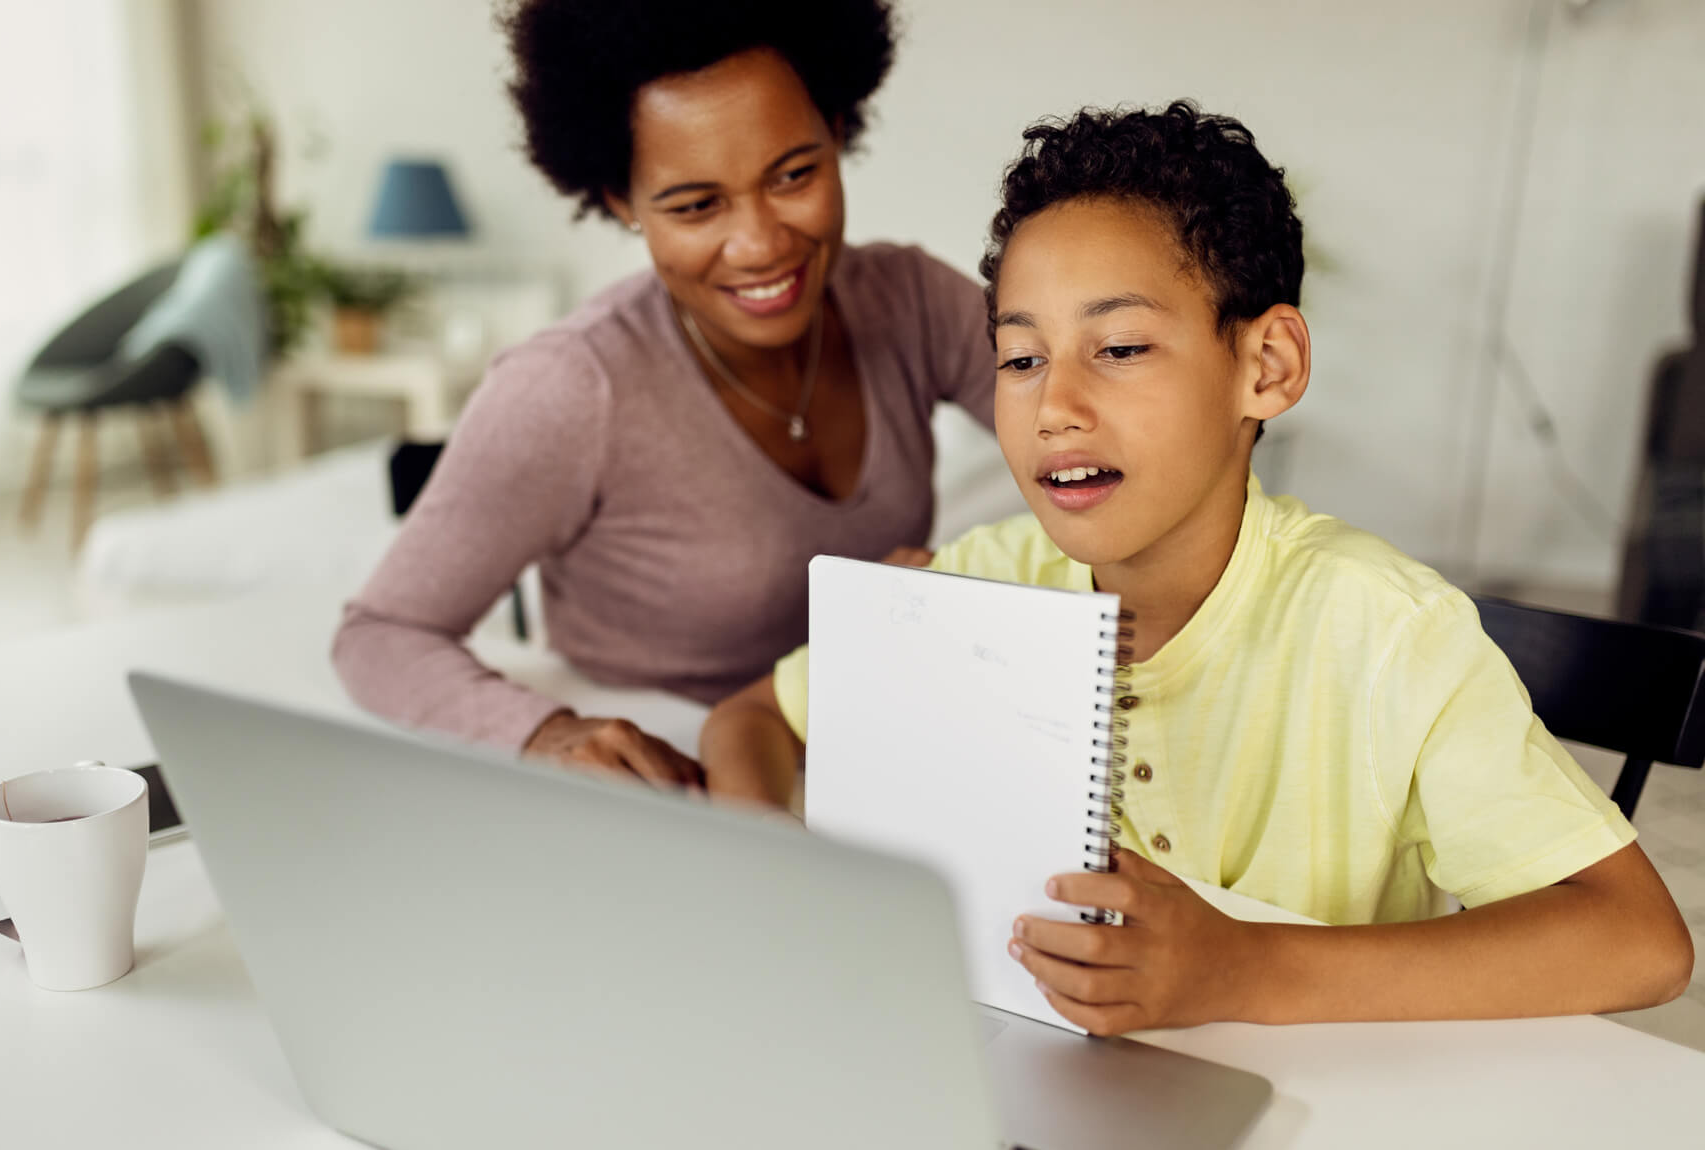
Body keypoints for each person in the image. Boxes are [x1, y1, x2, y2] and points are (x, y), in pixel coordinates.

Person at [698, 101, 1694, 1034]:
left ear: (1266, 368)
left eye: (1121, 346)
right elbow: (749, 717)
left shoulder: (1385, 631)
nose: (1055, 406)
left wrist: (1247, 970)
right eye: (1020, 358)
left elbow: (1640, 941)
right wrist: (774, 873)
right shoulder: (979, 582)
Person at [333, 0, 994, 787]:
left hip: (877, 743)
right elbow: (378, 633)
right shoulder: (571, 387)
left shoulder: (912, 300)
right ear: (621, 201)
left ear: (840, 130)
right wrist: (544, 732)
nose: (761, 244)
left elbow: (1109, 443)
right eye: (695, 205)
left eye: (794, 174)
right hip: (683, 771)